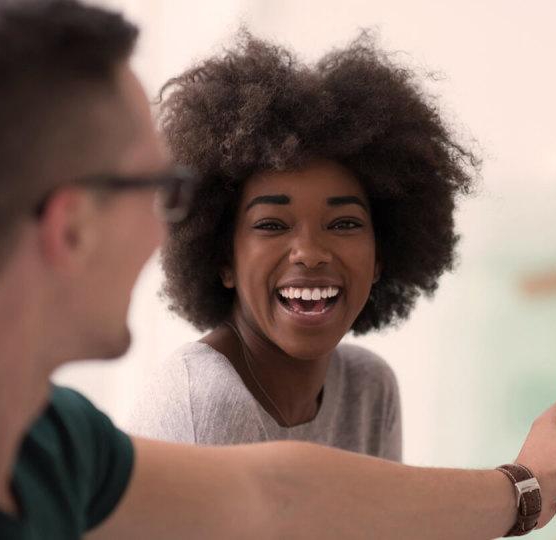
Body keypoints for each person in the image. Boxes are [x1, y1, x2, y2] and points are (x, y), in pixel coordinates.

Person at [0, 1, 556, 538]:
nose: (167, 229)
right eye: (161, 189)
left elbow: (276, 497)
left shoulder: (50, 442)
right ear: (72, 226)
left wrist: (525, 483)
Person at [127, 33, 475, 461]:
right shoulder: (203, 402)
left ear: (382, 254)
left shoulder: (369, 389)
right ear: (223, 258)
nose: (309, 252)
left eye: (344, 223)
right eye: (272, 224)